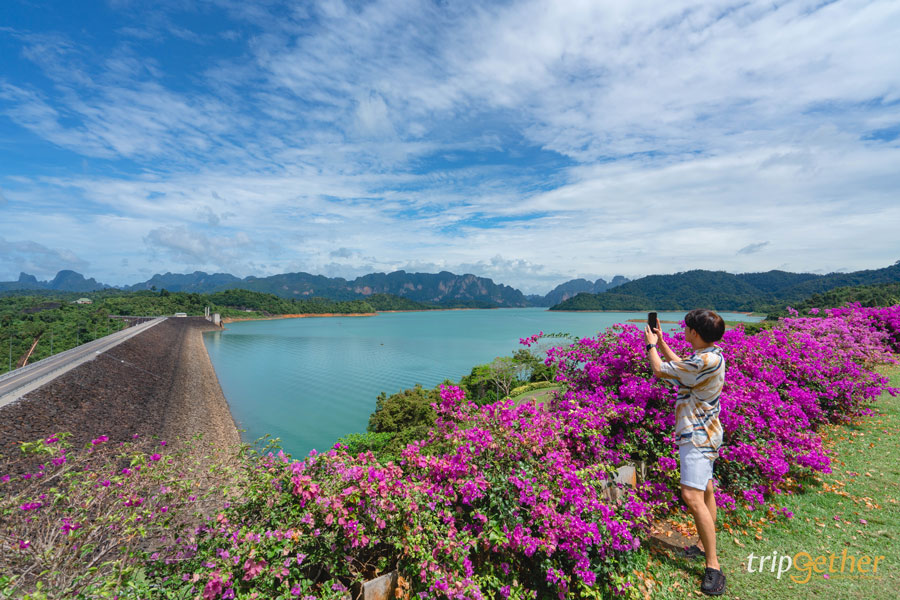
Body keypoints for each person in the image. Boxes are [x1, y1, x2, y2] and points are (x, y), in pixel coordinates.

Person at [644, 309, 727, 596]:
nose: (685, 331)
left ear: (695, 333)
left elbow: (660, 370)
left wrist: (652, 346)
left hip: (697, 436)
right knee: (706, 491)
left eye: (687, 328)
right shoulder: (712, 356)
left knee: (692, 496)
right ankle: (705, 546)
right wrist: (664, 343)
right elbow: (685, 368)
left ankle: (713, 567)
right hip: (709, 431)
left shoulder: (702, 360)